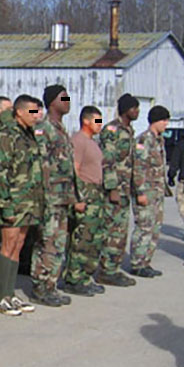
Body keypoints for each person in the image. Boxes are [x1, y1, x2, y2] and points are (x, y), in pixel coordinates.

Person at [0, 95, 42, 316]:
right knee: (8, 245)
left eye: (37, 111)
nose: (36, 116)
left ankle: (10, 294)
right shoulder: (7, 136)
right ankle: (1, 297)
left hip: (28, 202)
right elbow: (0, 173)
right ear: (19, 112)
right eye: (32, 111)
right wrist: (5, 206)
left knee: (19, 245)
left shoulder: (28, 135)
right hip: (12, 201)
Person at [31, 85, 81, 306]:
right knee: (47, 241)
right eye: (64, 98)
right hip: (50, 196)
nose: (68, 101)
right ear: (52, 102)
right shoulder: (43, 128)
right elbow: (39, 163)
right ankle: (41, 286)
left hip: (63, 197)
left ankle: (51, 284)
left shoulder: (61, 128)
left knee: (58, 241)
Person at [62, 106, 107, 296]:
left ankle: (85, 276)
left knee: (94, 239)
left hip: (97, 193)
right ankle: (73, 278)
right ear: (86, 121)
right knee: (81, 238)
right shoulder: (78, 141)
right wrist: (77, 198)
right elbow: (75, 170)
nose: (100, 125)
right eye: (97, 121)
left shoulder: (92, 142)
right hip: (85, 192)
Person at [96, 93, 140, 287]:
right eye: (134, 108)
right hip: (115, 190)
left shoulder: (129, 130)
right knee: (113, 230)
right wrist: (112, 188)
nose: (137, 111)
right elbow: (107, 160)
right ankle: (107, 270)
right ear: (125, 109)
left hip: (125, 188)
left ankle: (113, 267)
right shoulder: (112, 130)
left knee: (121, 230)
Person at [128, 105, 170, 278]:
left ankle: (146, 261)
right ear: (156, 121)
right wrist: (140, 192)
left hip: (157, 192)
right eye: (164, 121)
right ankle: (137, 263)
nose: (166, 124)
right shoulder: (143, 140)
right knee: (144, 227)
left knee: (155, 227)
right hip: (146, 191)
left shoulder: (159, 140)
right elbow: (138, 168)